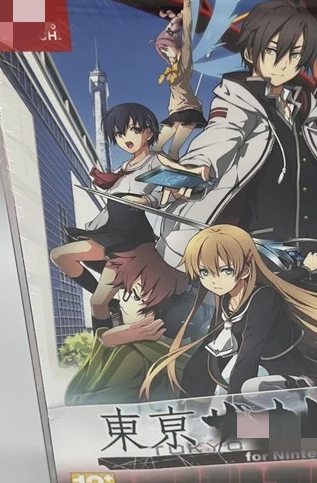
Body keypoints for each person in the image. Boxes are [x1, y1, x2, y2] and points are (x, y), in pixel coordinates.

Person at [154, 0, 317, 270]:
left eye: (295, 54)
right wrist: (197, 167)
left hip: (315, 244)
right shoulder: (238, 100)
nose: (284, 64)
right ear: (250, 52)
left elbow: (316, 175)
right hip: (259, 245)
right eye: (272, 51)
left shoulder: (302, 110)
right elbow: (220, 135)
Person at [140, 225, 317, 400]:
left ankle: (289, 408)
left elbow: (250, 353)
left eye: (225, 270)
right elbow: (280, 280)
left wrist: (235, 403)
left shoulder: (263, 299)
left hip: (295, 377)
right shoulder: (227, 296)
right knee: (198, 371)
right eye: (205, 272)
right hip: (262, 371)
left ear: (245, 267)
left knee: (250, 388)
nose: (214, 280)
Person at [49, 102, 206, 326]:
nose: (125, 138)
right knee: (60, 256)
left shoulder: (155, 160)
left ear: (148, 133)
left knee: (97, 303)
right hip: (110, 232)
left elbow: (183, 178)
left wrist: (195, 175)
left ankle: (107, 335)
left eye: (133, 130)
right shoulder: (125, 166)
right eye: (119, 134)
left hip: (131, 241)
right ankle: (113, 305)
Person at [63, 244, 196, 405]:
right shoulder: (192, 341)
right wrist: (108, 338)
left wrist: (109, 339)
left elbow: (81, 401)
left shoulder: (133, 355)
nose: (121, 303)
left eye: (131, 295)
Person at [152, 0, 207, 161]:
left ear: (175, 46)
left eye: (166, 49)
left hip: (189, 109)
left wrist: (187, 4)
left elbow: (187, 31)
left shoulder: (184, 60)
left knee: (173, 150)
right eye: (163, 51)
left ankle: (173, 169)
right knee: (156, 147)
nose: (165, 53)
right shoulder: (172, 67)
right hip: (176, 111)